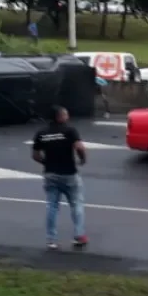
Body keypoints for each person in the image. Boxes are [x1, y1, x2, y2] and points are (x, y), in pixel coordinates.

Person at [31, 106, 88, 250]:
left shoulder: (41, 133)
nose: (67, 117)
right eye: (66, 114)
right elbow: (80, 147)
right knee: (76, 204)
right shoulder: (70, 130)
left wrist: (46, 162)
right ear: (60, 116)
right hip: (69, 173)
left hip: (50, 174)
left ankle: (51, 239)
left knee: (52, 206)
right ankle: (79, 235)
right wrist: (82, 159)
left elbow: (35, 155)